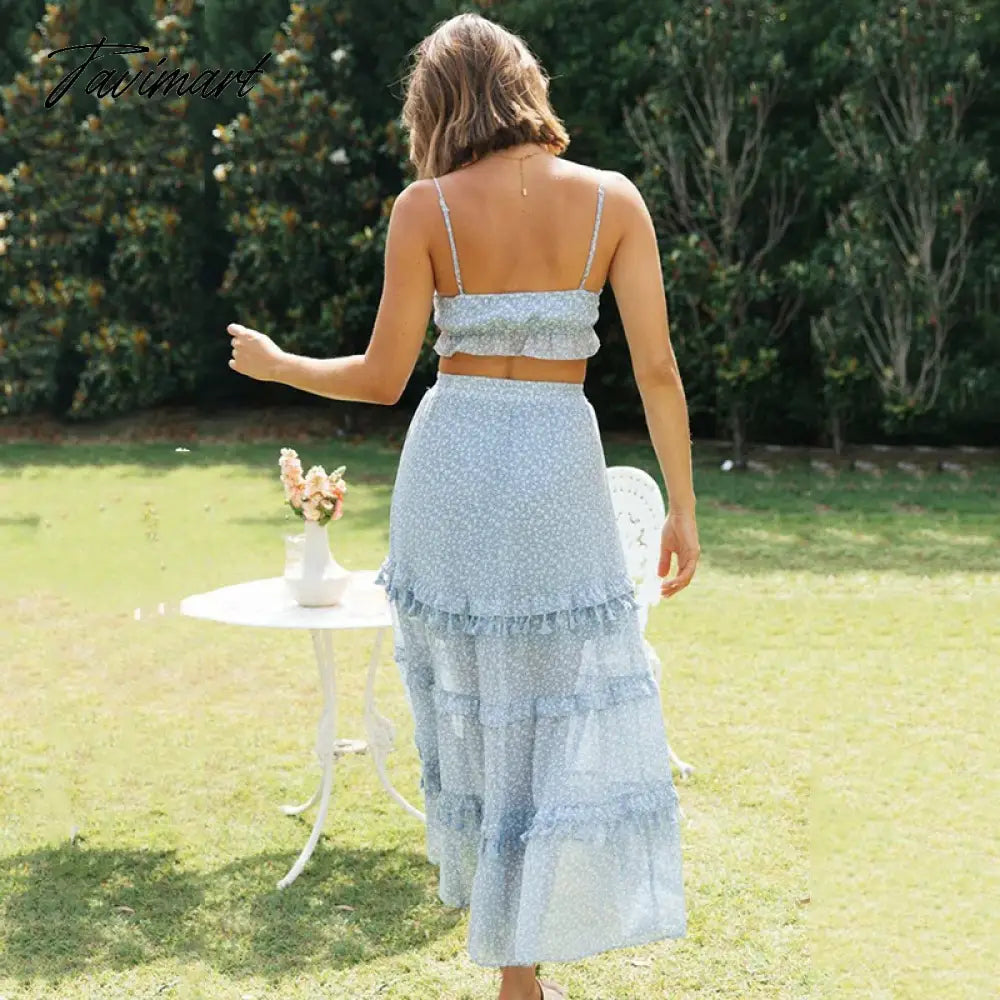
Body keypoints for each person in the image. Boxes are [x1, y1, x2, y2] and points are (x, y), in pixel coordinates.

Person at [227, 12, 700, 999]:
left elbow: (381, 377)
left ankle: (517, 966)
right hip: (557, 462)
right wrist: (682, 508)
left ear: (437, 104)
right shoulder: (613, 200)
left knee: (478, 713)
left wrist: (278, 365)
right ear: (525, 83)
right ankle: (521, 969)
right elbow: (657, 371)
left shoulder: (425, 208)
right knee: (549, 711)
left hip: (455, 466)